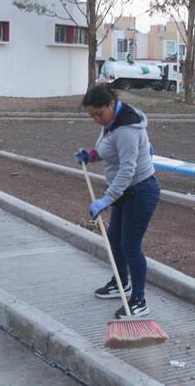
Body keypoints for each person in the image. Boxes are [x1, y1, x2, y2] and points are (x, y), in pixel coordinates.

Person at [75, 85, 160, 319]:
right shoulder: (112, 123)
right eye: (92, 115)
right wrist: (93, 155)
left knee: (130, 245)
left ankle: (139, 301)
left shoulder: (127, 129)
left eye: (98, 114)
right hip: (125, 192)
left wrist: (107, 199)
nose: (96, 120)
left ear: (111, 105)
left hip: (141, 192)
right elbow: (110, 150)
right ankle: (121, 284)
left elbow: (128, 168)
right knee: (114, 239)